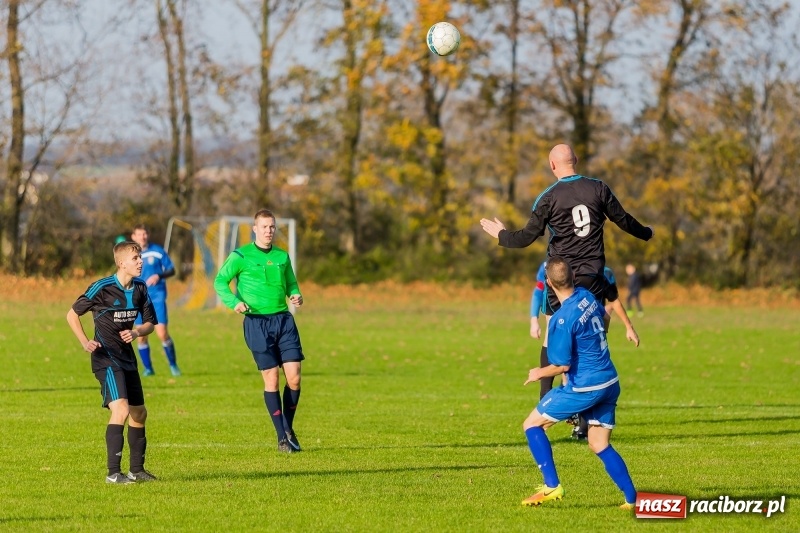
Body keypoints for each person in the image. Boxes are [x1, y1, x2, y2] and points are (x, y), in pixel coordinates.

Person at [520, 257, 637, 509]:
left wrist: (538, 373)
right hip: (610, 380)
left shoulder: (562, 320)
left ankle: (552, 486)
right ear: (573, 276)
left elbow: (562, 366)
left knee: (531, 425)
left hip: (585, 386)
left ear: (549, 283)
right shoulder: (586, 295)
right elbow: (605, 320)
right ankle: (632, 500)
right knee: (599, 444)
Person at [66, 240, 159, 484]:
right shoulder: (102, 288)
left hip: (127, 358)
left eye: (140, 257)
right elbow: (72, 314)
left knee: (139, 413)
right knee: (122, 409)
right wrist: (85, 341)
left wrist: (138, 332)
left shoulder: (140, 288)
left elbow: (150, 323)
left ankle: (136, 471)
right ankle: (113, 474)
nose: (140, 262)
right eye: (135, 258)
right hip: (105, 357)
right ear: (121, 263)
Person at [213, 209, 305, 453]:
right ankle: (281, 437)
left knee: (294, 377)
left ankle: (289, 427)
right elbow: (220, 281)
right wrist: (234, 303)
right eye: (264, 227)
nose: (268, 231)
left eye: (272, 227)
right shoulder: (240, 255)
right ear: (255, 229)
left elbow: (291, 282)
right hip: (256, 323)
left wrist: (295, 294)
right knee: (272, 378)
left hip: (284, 321)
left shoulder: (282, 256)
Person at [568, 265, 640, 441]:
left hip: (584, 337)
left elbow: (612, 300)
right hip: (594, 334)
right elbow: (610, 307)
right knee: (584, 378)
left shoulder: (595, 274)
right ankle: (584, 426)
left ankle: (581, 425)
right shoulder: (599, 273)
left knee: (581, 378)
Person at [129, 224, 180, 377]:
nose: (142, 237)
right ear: (133, 237)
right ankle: (148, 369)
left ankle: (173, 365)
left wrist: (159, 275)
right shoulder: (130, 255)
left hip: (157, 297)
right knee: (141, 335)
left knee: (162, 334)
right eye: (139, 234)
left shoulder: (157, 251)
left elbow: (172, 269)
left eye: (144, 234)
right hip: (138, 299)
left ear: (148, 235)